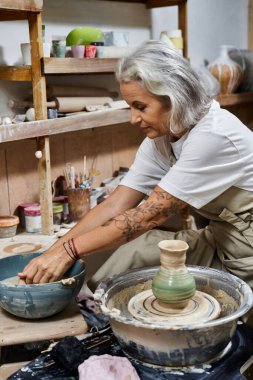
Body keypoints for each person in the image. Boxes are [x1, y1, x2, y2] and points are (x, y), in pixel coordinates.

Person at [18, 40, 253, 308]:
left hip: (249, 254)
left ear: (174, 99)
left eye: (140, 107)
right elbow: (118, 203)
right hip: (220, 240)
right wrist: (53, 251)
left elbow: (148, 216)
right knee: (135, 252)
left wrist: (68, 251)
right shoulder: (164, 136)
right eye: (130, 106)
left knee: (229, 330)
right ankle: (96, 310)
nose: (133, 118)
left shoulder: (213, 136)